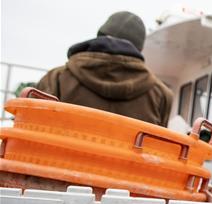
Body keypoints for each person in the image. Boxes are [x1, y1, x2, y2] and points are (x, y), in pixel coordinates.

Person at [36, 11, 173, 126]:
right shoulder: (161, 95)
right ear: (139, 49)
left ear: (99, 36)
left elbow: (33, 132)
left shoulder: (55, 78)